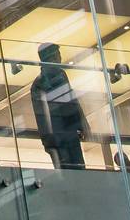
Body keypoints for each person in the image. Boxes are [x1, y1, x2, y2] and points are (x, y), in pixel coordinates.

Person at [30, 42, 87, 170]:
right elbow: (43, 115)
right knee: (66, 170)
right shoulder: (41, 82)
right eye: (57, 55)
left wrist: (81, 124)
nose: (60, 58)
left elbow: (72, 99)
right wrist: (49, 140)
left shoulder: (61, 75)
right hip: (57, 136)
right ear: (49, 58)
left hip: (69, 132)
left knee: (79, 168)